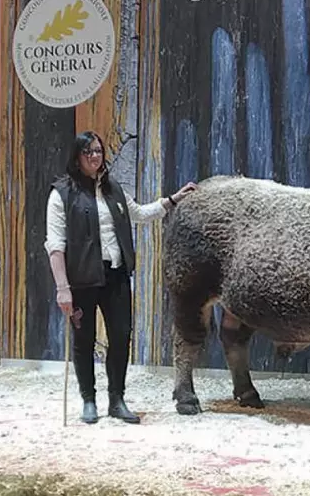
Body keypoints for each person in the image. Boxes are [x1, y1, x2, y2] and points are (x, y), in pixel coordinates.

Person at [44, 130, 197, 424]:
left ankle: (117, 399)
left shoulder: (113, 189)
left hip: (115, 276)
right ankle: (89, 400)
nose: (95, 157)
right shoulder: (61, 194)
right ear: (77, 157)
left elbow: (138, 213)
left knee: (120, 337)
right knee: (83, 340)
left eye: (99, 151)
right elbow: (55, 244)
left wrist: (172, 201)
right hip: (81, 281)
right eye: (88, 152)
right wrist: (62, 288)